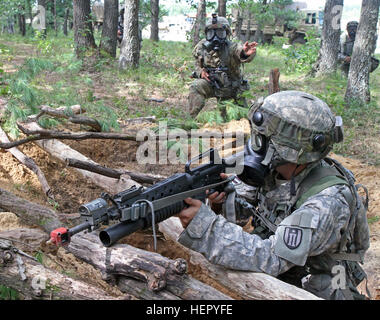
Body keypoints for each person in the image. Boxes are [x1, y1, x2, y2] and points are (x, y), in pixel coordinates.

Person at [178, 90, 371, 300]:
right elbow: (244, 210)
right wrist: (219, 200)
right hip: (290, 268)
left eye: (262, 138)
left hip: (320, 283)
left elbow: (271, 257)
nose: (256, 143)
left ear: (285, 149)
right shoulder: (277, 167)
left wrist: (205, 226)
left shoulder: (327, 202)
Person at [189, 13, 257, 118]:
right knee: (196, 86)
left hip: (232, 88)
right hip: (212, 85)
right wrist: (200, 72)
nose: (215, 37)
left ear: (227, 33)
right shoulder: (202, 47)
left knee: (239, 119)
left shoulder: (231, 47)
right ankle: (191, 120)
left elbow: (240, 52)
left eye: (220, 33)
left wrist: (245, 53)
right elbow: (196, 63)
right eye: (211, 33)